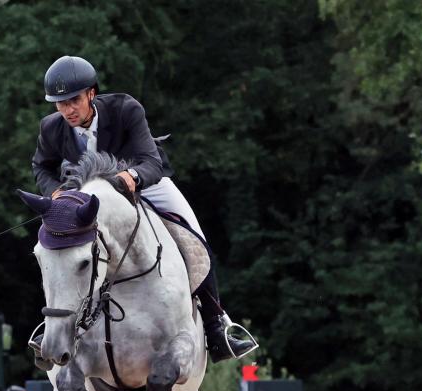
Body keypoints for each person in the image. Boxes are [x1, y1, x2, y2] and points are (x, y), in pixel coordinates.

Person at [29, 55, 257, 367]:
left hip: (143, 183)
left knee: (194, 238)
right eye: (60, 103)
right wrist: (54, 190)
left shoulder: (125, 109)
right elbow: (40, 166)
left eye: (74, 100)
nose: (68, 110)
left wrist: (132, 177)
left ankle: (217, 327)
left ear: (91, 94)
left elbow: (151, 160)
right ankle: (53, 326)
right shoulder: (52, 128)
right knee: (56, 248)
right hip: (89, 197)